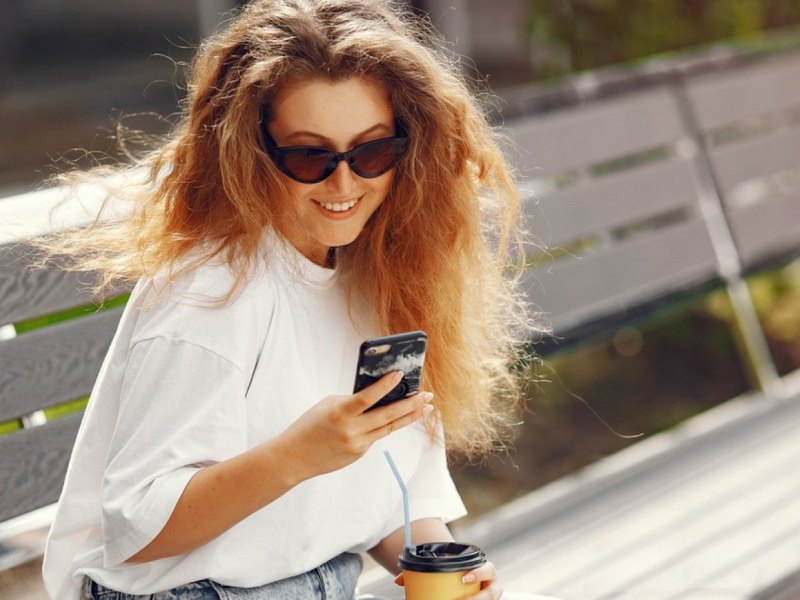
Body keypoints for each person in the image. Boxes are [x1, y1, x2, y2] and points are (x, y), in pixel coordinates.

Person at [40, 1, 547, 599]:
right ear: (252, 153)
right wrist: (295, 457)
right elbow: (137, 527)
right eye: (309, 156)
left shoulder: (385, 273)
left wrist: (437, 568)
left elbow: (393, 491)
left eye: (372, 152)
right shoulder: (209, 296)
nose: (344, 184)